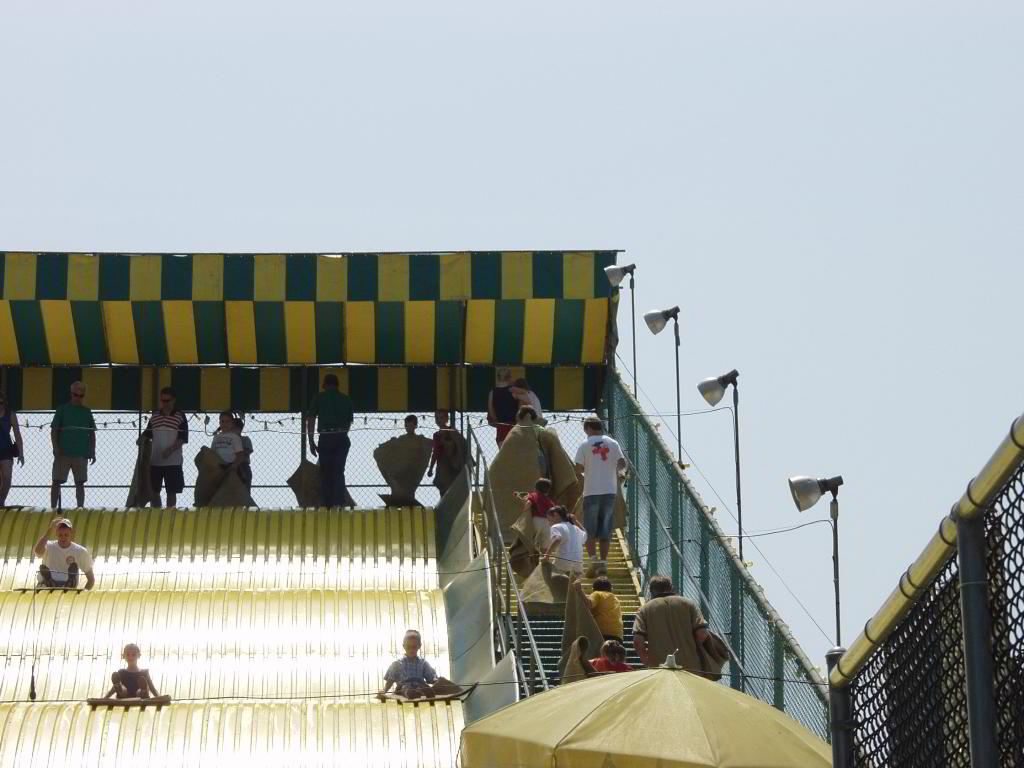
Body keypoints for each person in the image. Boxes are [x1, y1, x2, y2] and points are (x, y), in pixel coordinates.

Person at [574, 416, 626, 577]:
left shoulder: (584, 444)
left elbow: (578, 468)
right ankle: (603, 563)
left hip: (591, 491)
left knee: (588, 529)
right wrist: (618, 471)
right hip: (610, 492)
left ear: (589, 428)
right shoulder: (613, 443)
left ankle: (593, 559)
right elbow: (622, 462)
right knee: (605, 530)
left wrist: (588, 469)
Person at [632, 575, 711, 671]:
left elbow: (638, 640)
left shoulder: (644, 610)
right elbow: (702, 633)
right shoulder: (689, 604)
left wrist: (646, 661)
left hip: (659, 667)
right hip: (690, 667)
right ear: (670, 588)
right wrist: (690, 648)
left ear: (651, 591)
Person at [306, 374, 355, 508]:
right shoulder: (346, 399)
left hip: (326, 437)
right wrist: (342, 434)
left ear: (325, 384)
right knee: (338, 471)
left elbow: (311, 419)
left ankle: (326, 505)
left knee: (326, 472)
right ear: (337, 385)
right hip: (342, 437)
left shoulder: (319, 397)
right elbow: (349, 422)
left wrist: (311, 441)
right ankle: (339, 503)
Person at [50, 381, 96, 508]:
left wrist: (92, 451)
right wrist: (55, 448)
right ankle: (53, 508)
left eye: (81, 396)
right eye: (76, 395)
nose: (78, 398)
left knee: (80, 482)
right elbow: (54, 430)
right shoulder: (62, 409)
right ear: (71, 394)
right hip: (63, 453)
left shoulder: (87, 412)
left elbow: (92, 433)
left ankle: (80, 508)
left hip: (81, 453)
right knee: (56, 481)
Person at [142, 387, 188, 508]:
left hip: (173, 462)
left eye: (168, 400)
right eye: (163, 400)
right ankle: (156, 514)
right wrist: (140, 440)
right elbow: (147, 433)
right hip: (155, 461)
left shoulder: (180, 415)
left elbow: (183, 438)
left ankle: (169, 515)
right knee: (154, 492)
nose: (165, 403)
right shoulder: (155, 415)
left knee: (171, 492)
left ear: (174, 400)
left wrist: (170, 450)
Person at [33, 517, 95, 590]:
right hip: (46, 588)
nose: (63, 538)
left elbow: (91, 579)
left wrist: (82, 594)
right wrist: (49, 531)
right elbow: (38, 551)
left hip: (67, 588)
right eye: (60, 535)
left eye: (66, 535)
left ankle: (69, 582)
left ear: (71, 533)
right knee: (46, 583)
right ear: (56, 534)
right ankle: (49, 581)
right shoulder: (48, 546)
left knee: (68, 584)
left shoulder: (80, 551)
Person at [378, 629, 438, 700]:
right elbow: (390, 680)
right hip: (403, 688)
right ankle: (411, 693)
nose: (411, 650)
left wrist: (437, 681)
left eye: (414, 647)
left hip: (419, 686)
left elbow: (431, 679)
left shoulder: (423, 663)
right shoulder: (397, 664)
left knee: (424, 687)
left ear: (419, 646)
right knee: (406, 688)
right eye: (408, 647)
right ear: (404, 646)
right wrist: (384, 690)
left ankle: (422, 693)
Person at [542, 505, 587, 577]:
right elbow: (585, 534)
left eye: (549, 519)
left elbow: (557, 539)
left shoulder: (556, 527)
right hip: (578, 564)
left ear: (555, 515)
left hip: (563, 563)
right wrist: (575, 521)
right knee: (575, 581)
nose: (549, 522)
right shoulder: (576, 528)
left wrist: (546, 556)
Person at [0, 390, 24, 506]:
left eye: (1, 403)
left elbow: (17, 435)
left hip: (6, 450)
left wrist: (21, 453)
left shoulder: (10, 415)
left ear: (4, 402)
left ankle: (1, 501)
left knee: (7, 479)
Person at [519, 477, 555, 552]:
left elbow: (529, 503)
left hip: (536, 520)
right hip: (548, 523)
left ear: (535, 488)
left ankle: (532, 556)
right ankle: (545, 558)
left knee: (531, 541)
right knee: (545, 546)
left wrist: (524, 512)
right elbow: (553, 510)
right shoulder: (549, 500)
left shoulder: (533, 495)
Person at [487, 368, 519, 447]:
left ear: (498, 377)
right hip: (514, 426)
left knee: (503, 452)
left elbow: (491, 410)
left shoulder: (492, 392)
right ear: (509, 377)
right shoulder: (514, 391)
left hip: (501, 426)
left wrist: (496, 420)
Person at [587, 576, 624, 641]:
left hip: (601, 634)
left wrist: (579, 591)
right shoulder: (615, 598)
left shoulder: (597, 594)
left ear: (594, 588)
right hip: (618, 635)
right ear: (610, 588)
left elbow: (589, 604)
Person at [233, 416, 254, 489]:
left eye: (234, 428)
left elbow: (246, 451)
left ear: (239, 429)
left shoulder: (245, 439)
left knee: (244, 491)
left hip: (243, 466)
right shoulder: (227, 440)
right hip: (229, 467)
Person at [426, 411, 448, 479]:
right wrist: (431, 468)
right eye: (437, 418)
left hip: (451, 463)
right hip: (440, 464)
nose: (439, 420)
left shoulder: (452, 431)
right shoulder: (436, 435)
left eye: (441, 418)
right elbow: (435, 452)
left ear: (446, 419)